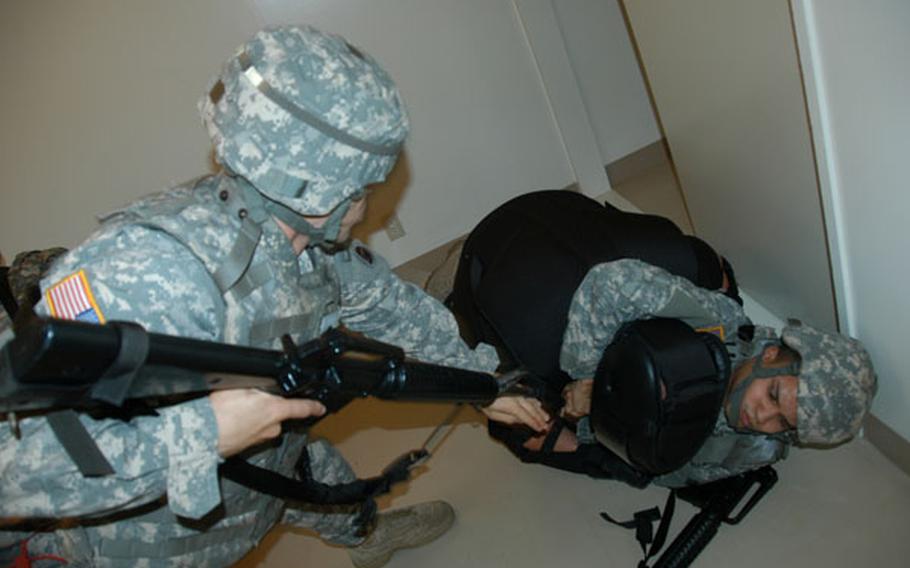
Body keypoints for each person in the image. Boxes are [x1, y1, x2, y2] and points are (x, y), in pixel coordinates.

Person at [0, 25, 547, 567]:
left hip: (269, 463)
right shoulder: (152, 271)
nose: (371, 200)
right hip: (155, 542)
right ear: (321, 187)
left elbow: (393, 311)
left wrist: (484, 387)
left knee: (321, 480)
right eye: (365, 188)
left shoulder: (309, 245)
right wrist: (205, 435)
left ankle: (366, 533)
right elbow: (13, 471)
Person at [447, 189, 877, 487]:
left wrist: (602, 423)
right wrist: (591, 382)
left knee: (551, 442)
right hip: (535, 251)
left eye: (787, 426)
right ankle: (461, 294)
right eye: (774, 395)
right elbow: (610, 284)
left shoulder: (754, 447)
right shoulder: (719, 321)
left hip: (625, 399)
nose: (763, 419)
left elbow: (668, 467)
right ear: (772, 354)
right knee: (708, 267)